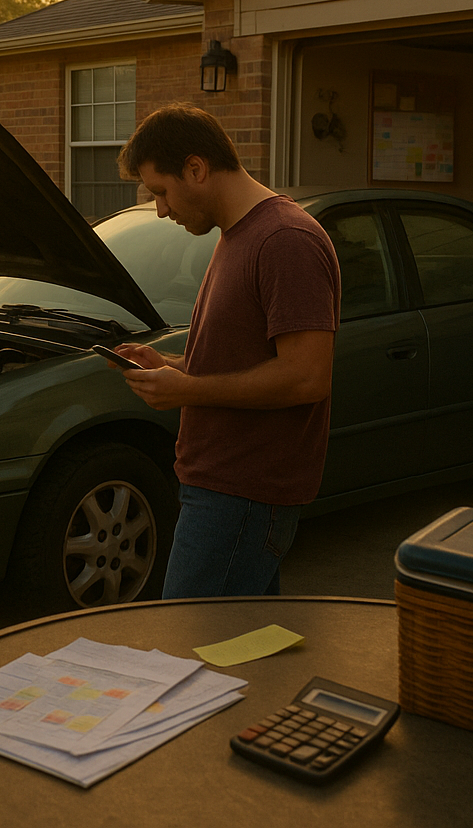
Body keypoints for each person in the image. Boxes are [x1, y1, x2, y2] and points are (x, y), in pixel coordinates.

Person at [110, 103, 340, 598]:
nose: (162, 210)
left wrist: (187, 389)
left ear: (196, 168)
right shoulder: (238, 235)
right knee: (241, 654)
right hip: (222, 490)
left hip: (243, 495)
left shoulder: (285, 239)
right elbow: (240, 361)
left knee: (193, 652)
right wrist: (170, 366)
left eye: (161, 192)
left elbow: (306, 376)